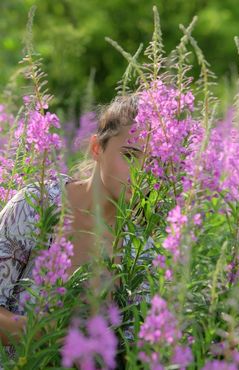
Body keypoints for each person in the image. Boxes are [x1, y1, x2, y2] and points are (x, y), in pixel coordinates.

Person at [0, 95, 154, 354]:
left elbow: (131, 350)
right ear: (97, 148)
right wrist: (34, 332)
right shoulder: (34, 205)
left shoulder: (139, 248)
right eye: (129, 156)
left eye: (153, 163)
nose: (141, 173)